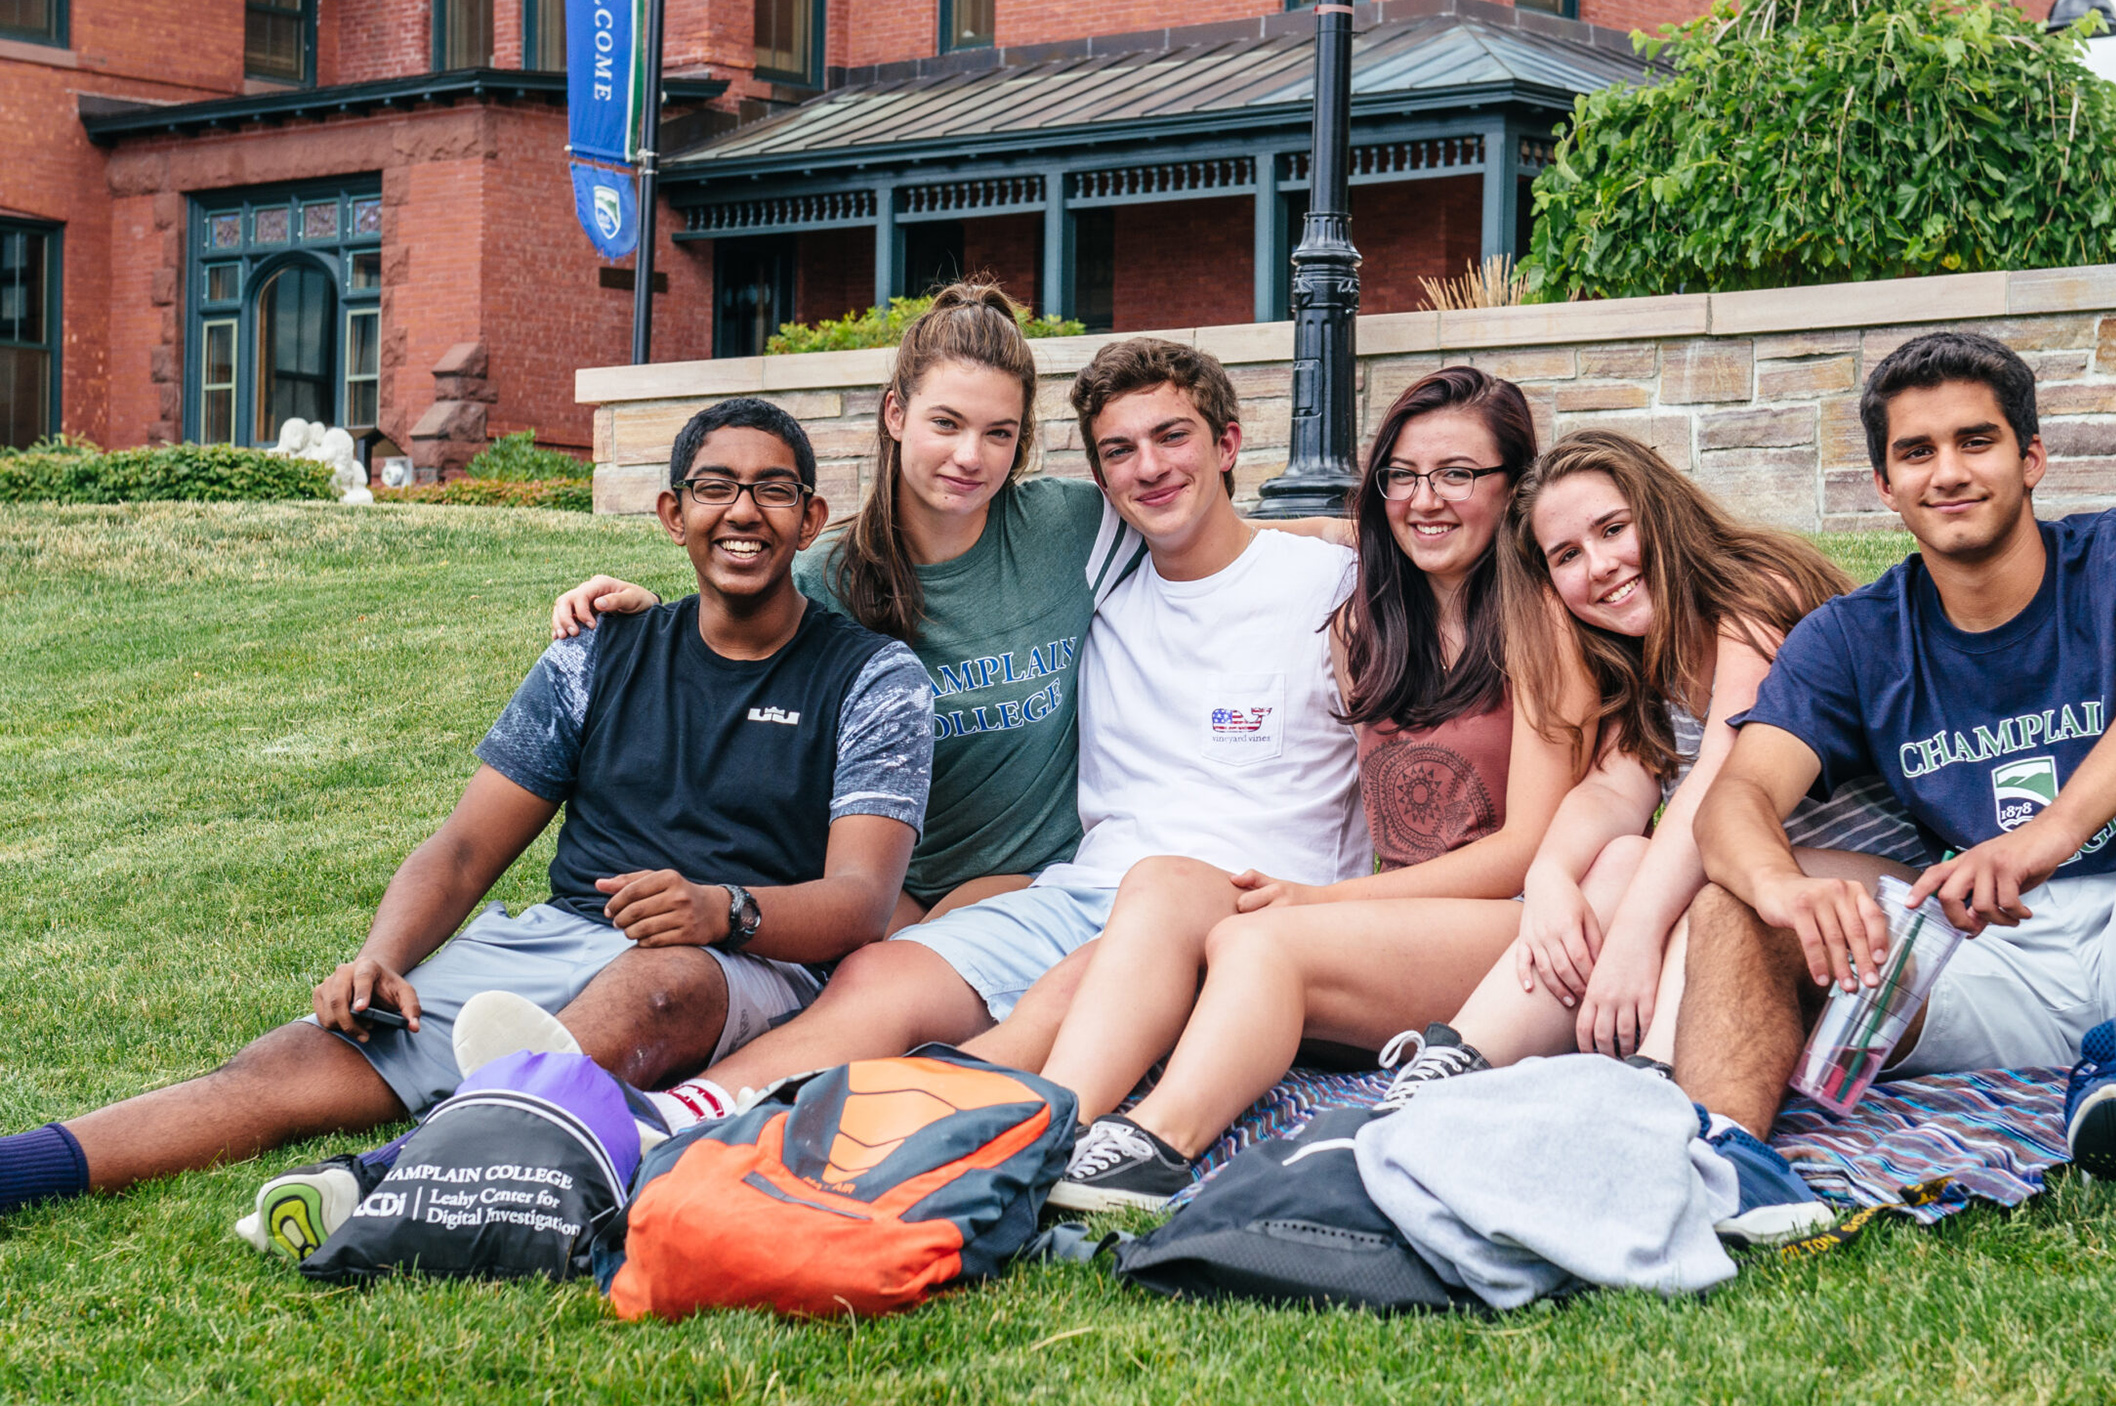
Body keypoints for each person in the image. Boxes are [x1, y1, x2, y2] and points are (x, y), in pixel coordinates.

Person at [0, 397, 932, 1231]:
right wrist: (382, 958)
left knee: (661, 984)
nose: (743, 511)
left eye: (773, 491)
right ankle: (20, 1169)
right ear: (671, 514)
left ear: (810, 518)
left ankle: (378, 1181)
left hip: (745, 961)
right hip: (554, 943)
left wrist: (725, 909)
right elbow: (459, 851)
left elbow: (859, 900)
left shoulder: (873, 678)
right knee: (282, 1068)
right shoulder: (598, 655)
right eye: (714, 486)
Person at [575, 336, 1368, 1131]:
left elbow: (1258, 560)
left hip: (1246, 907)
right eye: (1120, 451)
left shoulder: (1332, 593)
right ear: (1099, 477)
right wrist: (651, 622)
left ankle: (911, 1138)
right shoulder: (1100, 575)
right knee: (879, 980)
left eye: (1172, 438)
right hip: (1080, 892)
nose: (1148, 468)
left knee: (1074, 988)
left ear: (1228, 444)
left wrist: (1342, 534)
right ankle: (665, 1123)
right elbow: (752, 618)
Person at [1675, 330, 2116, 1240]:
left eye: (1977, 441)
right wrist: (1782, 890)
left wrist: (2051, 832)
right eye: (1916, 452)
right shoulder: (1854, 638)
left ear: (2032, 458)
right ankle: (1725, 1167)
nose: (1949, 472)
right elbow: (1736, 801)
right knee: (1735, 899)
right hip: (1999, 964)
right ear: (1884, 486)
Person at [554, 282, 1345, 951]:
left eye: (998, 433)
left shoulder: (1071, 526)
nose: (971, 457)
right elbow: (728, 648)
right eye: (946, 424)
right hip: (862, 892)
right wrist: (648, 614)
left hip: (1030, 886)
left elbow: (1203, 529)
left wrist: (1362, 541)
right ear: (896, 414)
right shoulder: (828, 579)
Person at [1028, 369, 1614, 1210]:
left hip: (1522, 936)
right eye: (1404, 476)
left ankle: (1158, 1144)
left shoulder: (1538, 625)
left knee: (1259, 941)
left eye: (1458, 475)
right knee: (1166, 882)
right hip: (1403, 928)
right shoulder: (1368, 614)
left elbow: (1526, 848)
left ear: (1510, 487)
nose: (1427, 500)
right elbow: (1318, 536)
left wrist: (1318, 903)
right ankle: (1057, 1121)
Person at [1347, 432, 1926, 1153]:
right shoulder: (1639, 649)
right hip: (1780, 903)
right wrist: (1550, 877)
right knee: (1619, 857)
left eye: (1613, 530)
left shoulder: (1755, 596)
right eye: (1567, 557)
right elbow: (1610, 794)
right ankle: (1446, 1070)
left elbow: (1720, 789)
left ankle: (1648, 1087)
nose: (1601, 566)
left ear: (1660, 511)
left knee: (1704, 879)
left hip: (1885, 914)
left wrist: (1632, 940)